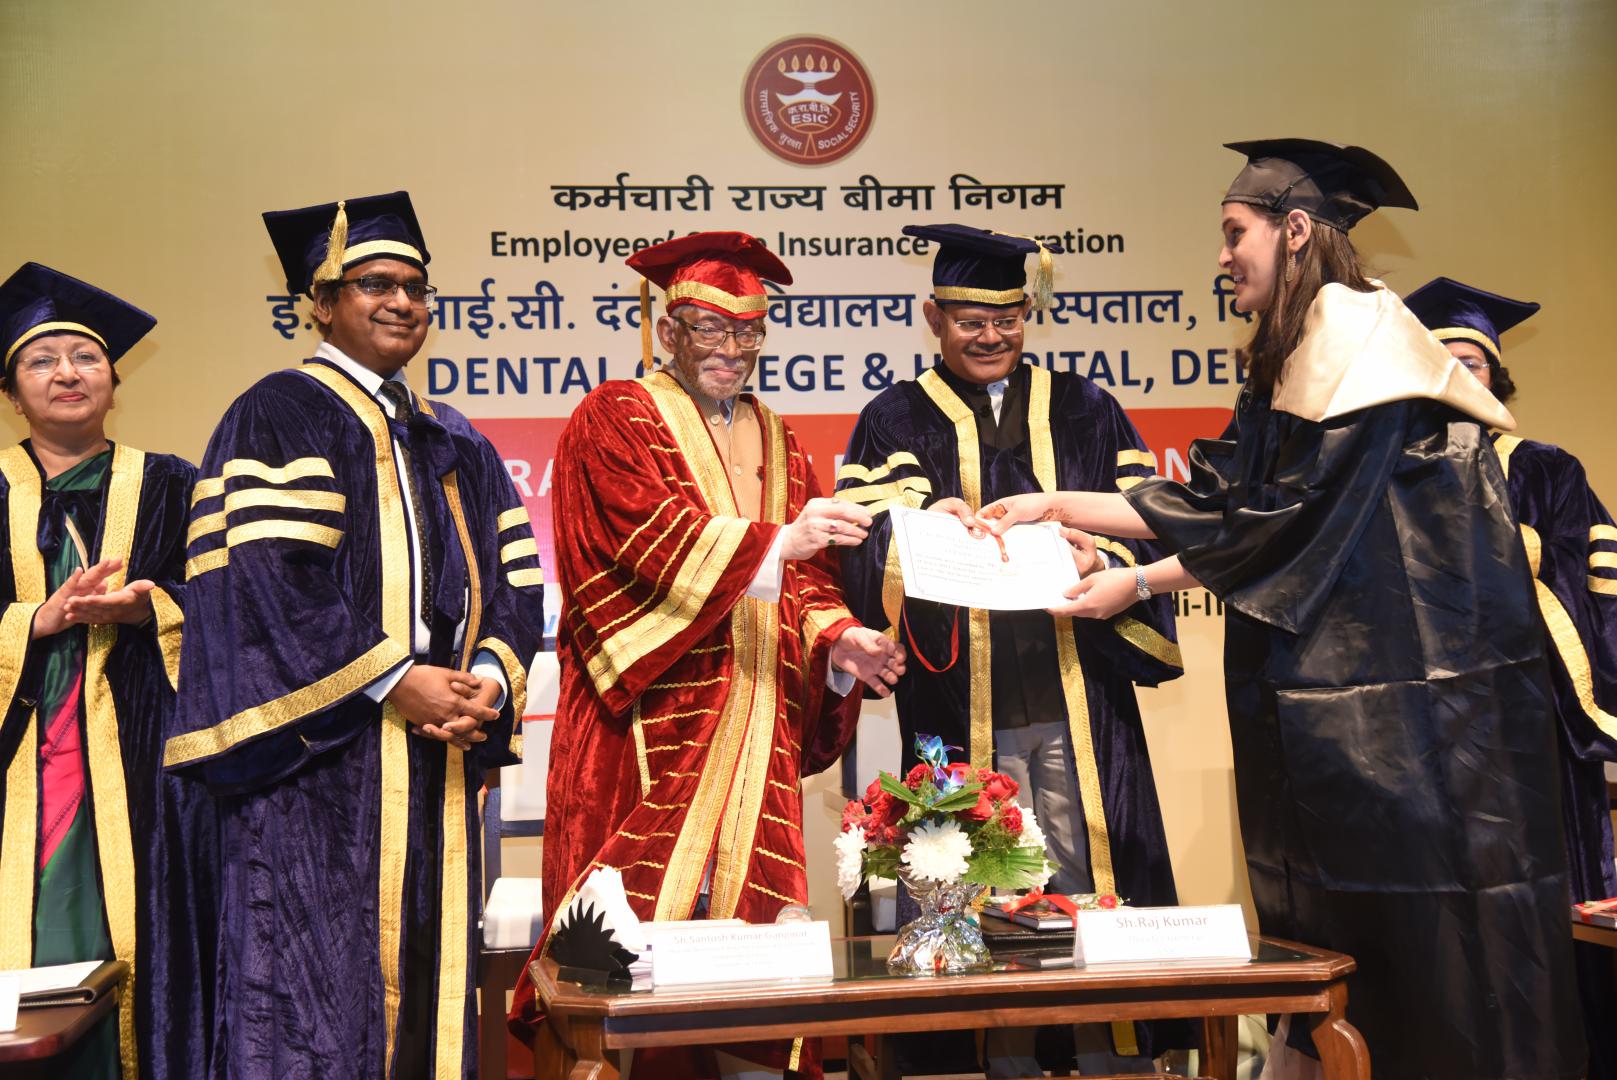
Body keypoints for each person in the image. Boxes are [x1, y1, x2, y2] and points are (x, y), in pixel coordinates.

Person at [978, 141, 1584, 1079]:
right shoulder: (1301, 353)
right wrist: (1052, 506)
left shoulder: (1361, 353)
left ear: (1294, 229)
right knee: (1348, 937)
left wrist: (1133, 577)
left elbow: (1272, 524)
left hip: (1416, 728)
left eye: (1235, 233)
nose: (1222, 257)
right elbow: (1221, 497)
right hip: (1345, 719)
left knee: (1432, 958)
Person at [164, 192, 546, 1078]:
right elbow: (266, 582)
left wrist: (486, 680)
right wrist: (395, 680)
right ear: (321, 301)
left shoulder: (453, 435)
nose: (402, 302)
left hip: (435, 762)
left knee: (428, 993)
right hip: (319, 767)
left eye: (416, 287)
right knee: (311, 999)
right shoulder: (279, 410)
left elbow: (515, 582)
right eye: (375, 283)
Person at [508, 231, 905, 1079]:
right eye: (711, 329)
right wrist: (778, 542)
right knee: (621, 953)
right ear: (668, 330)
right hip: (650, 726)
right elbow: (641, 540)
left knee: (756, 955)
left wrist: (840, 640)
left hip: (756, 723)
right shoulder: (615, 416)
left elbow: (809, 580)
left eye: (749, 332)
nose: (732, 349)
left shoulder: (780, 435)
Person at [834, 224, 1184, 1072]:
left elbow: (1149, 515)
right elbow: (860, 539)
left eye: (1007, 319)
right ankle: (994, 1058)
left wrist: (1101, 558)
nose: (990, 336)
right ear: (933, 318)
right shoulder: (892, 417)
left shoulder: (1086, 407)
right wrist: (919, 525)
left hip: (1075, 688)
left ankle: (1108, 1054)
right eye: (969, 321)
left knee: (1085, 866)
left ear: (1027, 314)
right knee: (971, 875)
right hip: (957, 699)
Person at [0, 262, 214, 1078]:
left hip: (142, 771)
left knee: (145, 940)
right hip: (18, 769)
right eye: (41, 360)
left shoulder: (175, 486)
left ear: (114, 382)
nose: (67, 373)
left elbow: (235, 608)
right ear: (12, 394)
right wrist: (34, 620)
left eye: (86, 357)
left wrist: (151, 610)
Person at [1406, 276, 1617, 1080]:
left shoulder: (1543, 468)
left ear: (1496, 376)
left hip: (1528, 725)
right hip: (1420, 727)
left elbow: (1587, 586)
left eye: (1473, 363)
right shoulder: (1388, 474)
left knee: (1541, 907)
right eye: (1442, 364)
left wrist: (1498, 550)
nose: (1459, 376)